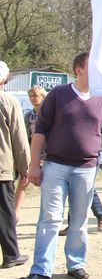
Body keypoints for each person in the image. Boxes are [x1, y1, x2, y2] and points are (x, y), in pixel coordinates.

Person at [19, 52, 102, 279]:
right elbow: (41, 130)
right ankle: (42, 270)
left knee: (79, 220)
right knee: (50, 219)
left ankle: (75, 264)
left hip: (86, 168)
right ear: (78, 70)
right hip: (56, 165)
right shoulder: (58, 95)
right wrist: (34, 164)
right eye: (91, 67)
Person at [0, 61, 31, 268]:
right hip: (2, 166)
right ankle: (11, 254)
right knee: (5, 211)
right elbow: (19, 137)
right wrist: (26, 167)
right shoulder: (8, 101)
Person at [13, 85, 46, 218]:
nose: (33, 99)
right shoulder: (29, 115)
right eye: (30, 96)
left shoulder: (49, 113)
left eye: (35, 96)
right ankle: (15, 214)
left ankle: (45, 216)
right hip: (32, 151)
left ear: (43, 97)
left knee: (47, 184)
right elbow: (25, 136)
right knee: (23, 180)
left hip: (48, 153)